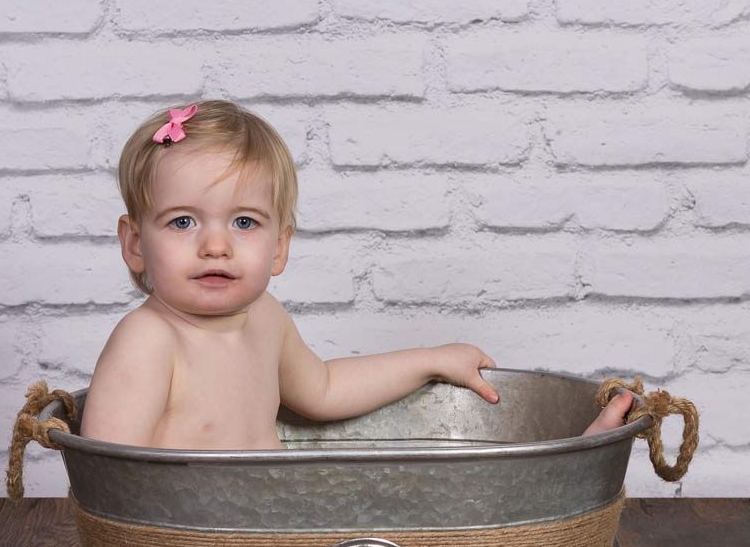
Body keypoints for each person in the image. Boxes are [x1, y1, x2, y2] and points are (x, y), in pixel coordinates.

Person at [80, 101, 632, 448]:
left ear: (279, 248)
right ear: (134, 244)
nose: (216, 245)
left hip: (264, 526)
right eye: (182, 222)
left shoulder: (265, 318)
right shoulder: (149, 341)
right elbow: (113, 477)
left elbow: (322, 388)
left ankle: (569, 462)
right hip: (191, 546)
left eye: (244, 222)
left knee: (413, 523)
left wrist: (430, 360)